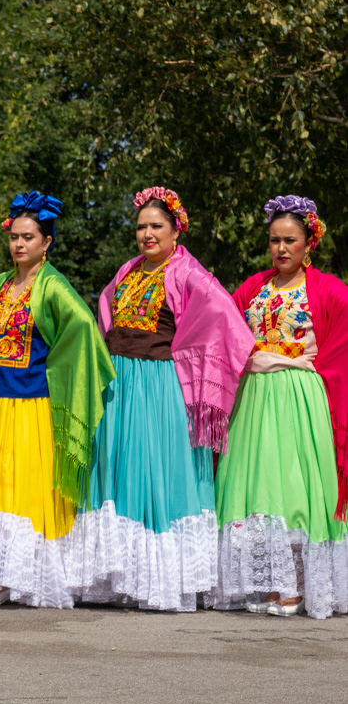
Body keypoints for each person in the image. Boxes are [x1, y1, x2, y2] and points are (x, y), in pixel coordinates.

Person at [71, 187, 253, 611]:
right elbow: (104, 319)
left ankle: (161, 581)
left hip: (158, 385)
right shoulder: (128, 272)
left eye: (156, 226)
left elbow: (226, 320)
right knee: (120, 469)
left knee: (154, 472)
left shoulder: (189, 274)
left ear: (176, 231)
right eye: (141, 227)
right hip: (120, 383)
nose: (147, 234)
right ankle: (124, 578)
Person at [0, 192, 114, 607]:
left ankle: (32, 577)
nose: (19, 244)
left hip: (32, 406)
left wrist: (55, 368)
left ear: (47, 242)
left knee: (26, 487)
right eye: (14, 237)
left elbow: (82, 325)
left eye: (28, 237)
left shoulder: (52, 286)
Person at [214, 196, 348, 618]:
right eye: (275, 240)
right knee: (257, 487)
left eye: (291, 240)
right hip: (254, 397)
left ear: (311, 242)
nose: (282, 249)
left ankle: (297, 581)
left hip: (298, 397)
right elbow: (225, 327)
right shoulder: (254, 287)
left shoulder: (329, 290)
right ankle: (272, 582)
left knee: (292, 487)